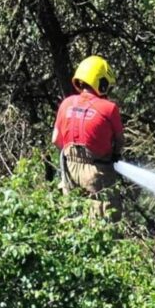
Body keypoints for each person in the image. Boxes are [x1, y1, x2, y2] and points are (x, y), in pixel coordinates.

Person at [52, 55, 125, 221]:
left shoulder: (66, 103)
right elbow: (120, 141)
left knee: (73, 220)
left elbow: (55, 139)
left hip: (69, 169)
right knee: (106, 222)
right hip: (97, 172)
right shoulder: (109, 108)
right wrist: (114, 154)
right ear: (101, 82)